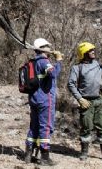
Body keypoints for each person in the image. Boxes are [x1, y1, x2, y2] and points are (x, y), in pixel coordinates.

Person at [67, 42, 102, 162]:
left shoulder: (100, 66)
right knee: (86, 128)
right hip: (86, 102)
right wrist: (80, 99)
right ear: (83, 53)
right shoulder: (77, 68)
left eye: (93, 50)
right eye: (90, 50)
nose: (93, 52)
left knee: (101, 127)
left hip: (99, 101)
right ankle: (84, 152)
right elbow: (71, 84)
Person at [22, 38, 63, 166]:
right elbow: (54, 74)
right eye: (48, 47)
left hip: (33, 99)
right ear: (43, 48)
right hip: (45, 99)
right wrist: (59, 61)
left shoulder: (32, 62)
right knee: (46, 127)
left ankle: (28, 155)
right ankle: (45, 157)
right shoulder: (44, 62)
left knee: (34, 126)